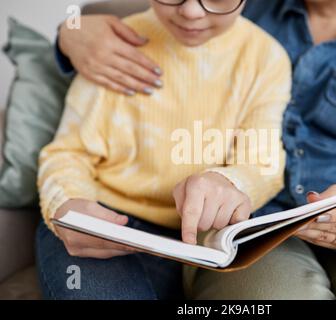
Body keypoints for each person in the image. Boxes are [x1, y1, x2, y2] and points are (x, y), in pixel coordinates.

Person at [54, 0, 336, 299]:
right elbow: (153, 30)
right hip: (249, 220)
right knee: (270, 296)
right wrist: (70, 30)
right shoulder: (228, 11)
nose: (194, 11)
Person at [36, 0, 292, 299]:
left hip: (205, 237)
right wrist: (68, 204)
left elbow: (263, 163)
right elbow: (68, 153)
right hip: (104, 220)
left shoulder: (265, 57)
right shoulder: (112, 45)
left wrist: (231, 182)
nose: (192, 12)